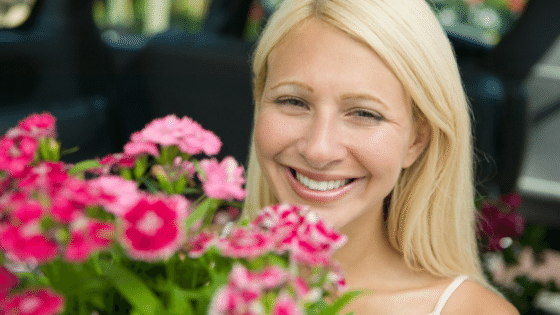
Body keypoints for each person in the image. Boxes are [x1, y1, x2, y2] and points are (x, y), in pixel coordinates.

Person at [241, 0, 520, 314]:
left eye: (363, 113)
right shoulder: (194, 269)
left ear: (417, 139)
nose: (318, 150)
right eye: (293, 101)